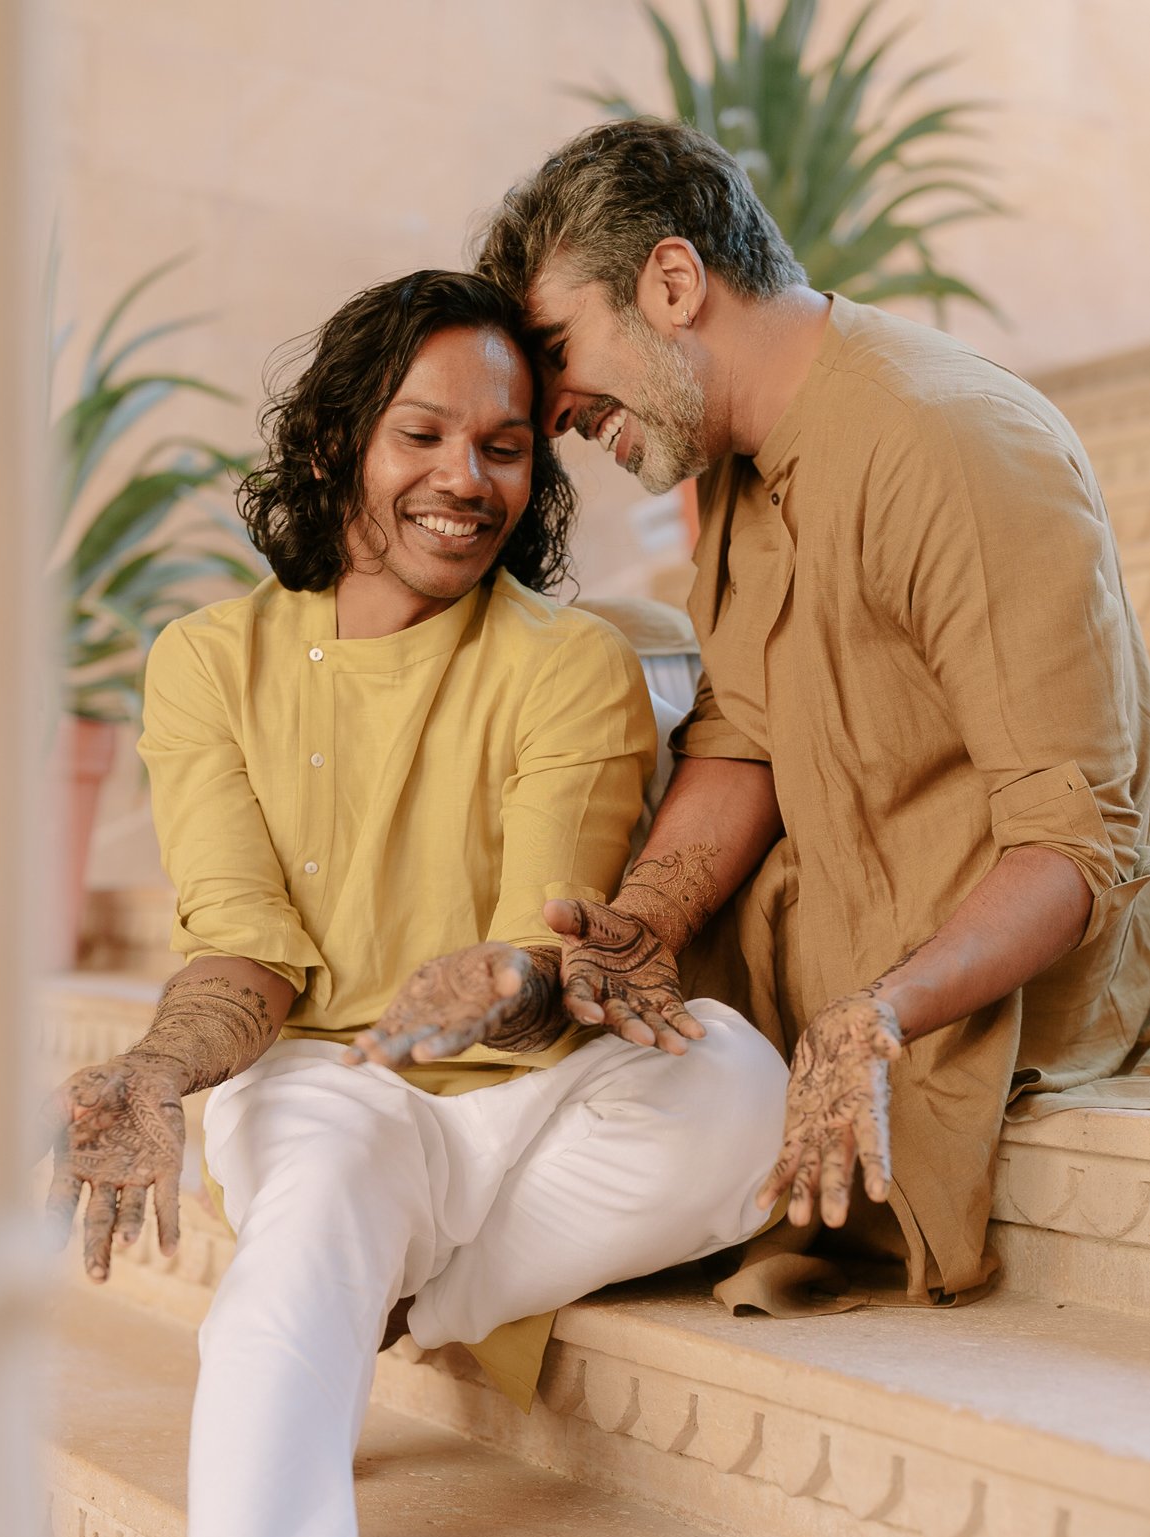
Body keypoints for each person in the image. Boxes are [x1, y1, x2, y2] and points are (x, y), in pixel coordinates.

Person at [39, 268, 788, 1537]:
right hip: (328, 1078)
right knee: (319, 1183)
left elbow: (542, 949)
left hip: (513, 1084)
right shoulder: (209, 662)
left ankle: (374, 1300)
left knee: (736, 1086)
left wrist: (513, 980)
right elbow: (246, 953)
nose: (467, 477)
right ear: (337, 445)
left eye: (506, 447)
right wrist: (160, 1065)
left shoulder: (568, 663)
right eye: (424, 435)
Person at [477, 120, 1150, 1316]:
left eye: (557, 349)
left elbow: (1078, 840)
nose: (554, 408)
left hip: (974, 1001)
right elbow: (743, 737)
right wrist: (645, 923)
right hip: (808, 959)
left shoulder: (949, 440)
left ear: (673, 283)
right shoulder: (740, 467)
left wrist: (880, 1014)